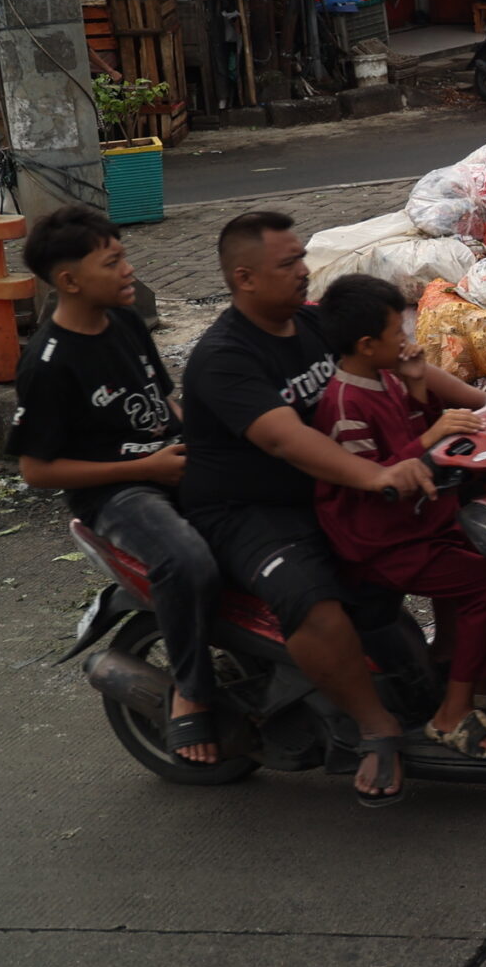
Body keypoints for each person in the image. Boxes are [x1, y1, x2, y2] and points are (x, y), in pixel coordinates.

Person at [181, 210, 439, 806]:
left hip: (322, 491)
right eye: (288, 264)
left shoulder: (314, 323)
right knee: (315, 603)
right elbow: (282, 439)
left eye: (302, 259)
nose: (304, 272)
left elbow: (400, 363)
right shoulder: (224, 357)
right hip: (247, 513)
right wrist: (377, 476)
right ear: (244, 278)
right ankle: (375, 729)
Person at [11, 206, 222, 764]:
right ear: (69, 281)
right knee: (188, 560)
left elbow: (162, 400)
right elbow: (36, 470)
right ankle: (192, 694)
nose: (129, 269)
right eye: (114, 261)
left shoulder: (125, 320)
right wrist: (144, 469)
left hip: (171, 462)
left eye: (124, 255)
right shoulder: (48, 364)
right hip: (119, 495)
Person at [310, 275, 486, 759]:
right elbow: (376, 480)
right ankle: (453, 712)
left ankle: (451, 664)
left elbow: (416, 430)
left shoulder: (388, 377)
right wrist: (428, 434)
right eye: (398, 331)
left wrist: (420, 385)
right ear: (366, 344)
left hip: (420, 518)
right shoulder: (344, 405)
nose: (406, 339)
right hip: (381, 540)